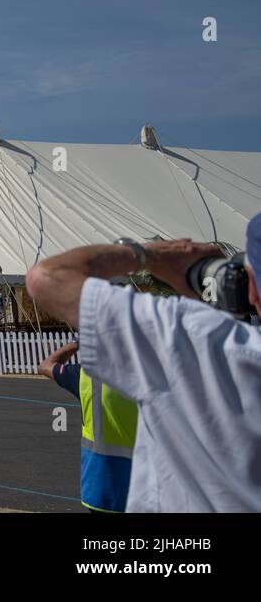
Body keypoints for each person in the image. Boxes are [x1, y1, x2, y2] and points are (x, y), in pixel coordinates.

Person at [25, 218, 261, 512]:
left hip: (105, 487)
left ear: (251, 290)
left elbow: (48, 278)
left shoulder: (186, 348)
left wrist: (148, 256)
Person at [38, 340, 137, 512]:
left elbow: (46, 366)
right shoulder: (153, 376)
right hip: (143, 484)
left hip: (99, 485)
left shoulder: (84, 376)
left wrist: (76, 344)